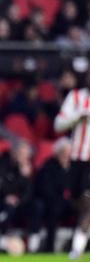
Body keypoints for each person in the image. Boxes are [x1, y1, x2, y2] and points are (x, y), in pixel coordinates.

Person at [54, 83, 90, 259]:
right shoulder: (75, 97)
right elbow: (58, 124)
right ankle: (81, 237)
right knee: (77, 203)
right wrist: (78, 117)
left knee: (88, 204)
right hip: (77, 160)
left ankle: (76, 250)